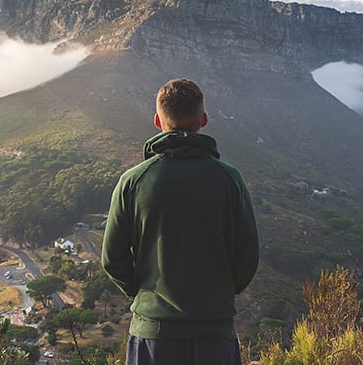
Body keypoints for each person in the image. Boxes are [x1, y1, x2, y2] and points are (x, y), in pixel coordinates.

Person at [102, 78, 260, 365]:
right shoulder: (229, 179)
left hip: (153, 334)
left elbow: (112, 259)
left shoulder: (133, 181)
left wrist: (144, 297)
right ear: (204, 120)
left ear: (157, 121)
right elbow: (248, 256)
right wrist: (219, 294)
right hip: (215, 332)